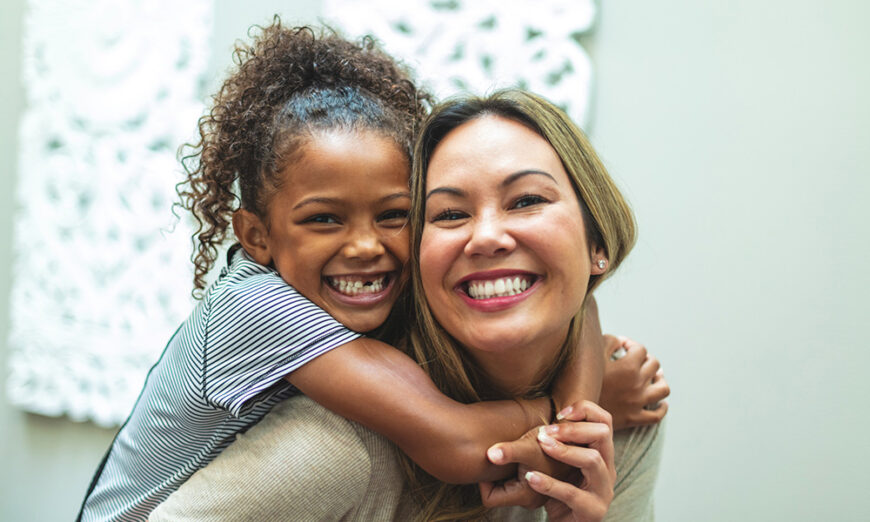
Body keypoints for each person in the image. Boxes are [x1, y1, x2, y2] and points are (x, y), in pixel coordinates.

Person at [78, 22, 663, 522]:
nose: (365, 246)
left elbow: (579, 298)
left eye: (393, 216)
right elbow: (457, 441)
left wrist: (582, 408)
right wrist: (574, 415)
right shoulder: (257, 310)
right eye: (324, 218)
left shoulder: (377, 294)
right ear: (256, 237)